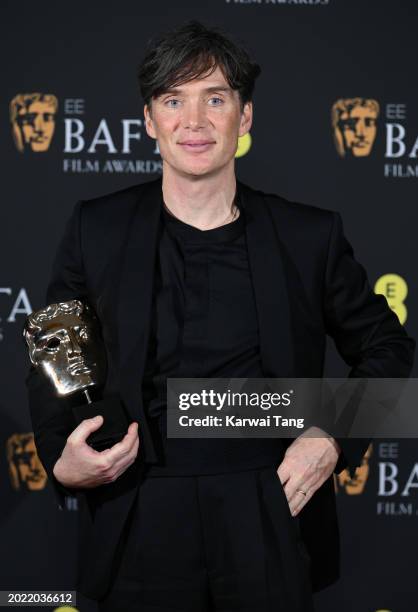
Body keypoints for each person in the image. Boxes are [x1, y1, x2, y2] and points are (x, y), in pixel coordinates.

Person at [25, 19, 415, 612]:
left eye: (215, 98)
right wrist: (61, 457)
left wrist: (333, 435)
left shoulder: (309, 236)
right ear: (150, 120)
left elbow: (391, 350)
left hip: (270, 501)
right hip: (138, 503)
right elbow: (54, 351)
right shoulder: (95, 228)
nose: (195, 121)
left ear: (246, 116)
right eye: (173, 100)